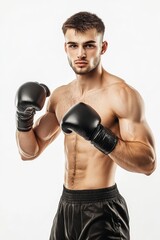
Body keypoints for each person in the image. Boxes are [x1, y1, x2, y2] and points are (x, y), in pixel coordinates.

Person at [15, 11, 156, 240]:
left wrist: (98, 135)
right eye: (73, 45)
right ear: (65, 48)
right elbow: (29, 151)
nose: (80, 53)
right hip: (65, 208)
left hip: (102, 210)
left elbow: (148, 163)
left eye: (89, 45)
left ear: (103, 47)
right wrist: (23, 118)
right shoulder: (60, 96)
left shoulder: (121, 95)